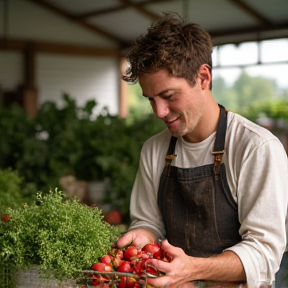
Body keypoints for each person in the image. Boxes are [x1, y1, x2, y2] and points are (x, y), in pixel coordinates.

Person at [115, 13, 288, 288]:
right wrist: (141, 236)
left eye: (170, 96)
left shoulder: (256, 148)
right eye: (151, 100)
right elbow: (148, 222)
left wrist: (193, 270)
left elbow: (265, 255)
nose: (159, 112)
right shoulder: (153, 150)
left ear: (203, 77)